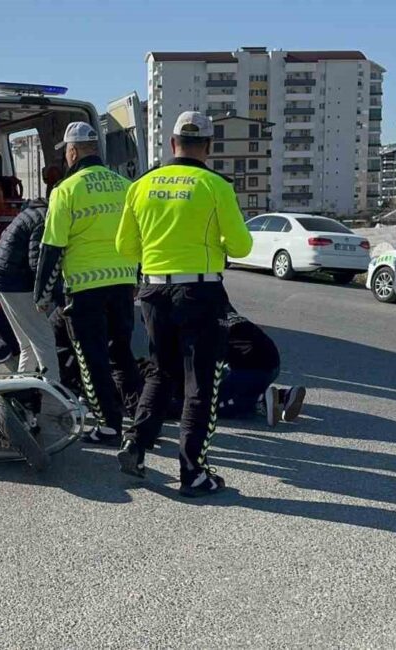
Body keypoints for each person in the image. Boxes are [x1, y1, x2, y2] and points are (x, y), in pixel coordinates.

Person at [114, 111, 253, 498]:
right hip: (199, 293)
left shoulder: (141, 186)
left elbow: (125, 248)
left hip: (153, 291)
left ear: (172, 143)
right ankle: (193, 473)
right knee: (200, 383)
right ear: (208, 147)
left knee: (161, 372)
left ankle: (136, 444)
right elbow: (242, 246)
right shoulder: (214, 185)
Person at [35, 121, 142, 446]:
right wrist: (136, 277)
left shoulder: (65, 190)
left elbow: (52, 247)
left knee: (90, 359)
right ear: (95, 149)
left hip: (85, 288)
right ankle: (141, 419)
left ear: (71, 151)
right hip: (123, 283)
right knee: (121, 353)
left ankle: (109, 427)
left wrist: (42, 295)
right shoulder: (125, 186)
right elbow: (137, 238)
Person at [0, 196, 61, 383]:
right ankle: (54, 398)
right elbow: (38, 263)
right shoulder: (45, 219)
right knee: (44, 339)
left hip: (0, 278)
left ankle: (21, 388)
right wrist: (47, 296)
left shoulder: (30, 213)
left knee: (27, 342)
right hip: (15, 281)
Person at [218, 306, 306, 427]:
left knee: (211, 406)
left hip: (252, 370)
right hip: (272, 363)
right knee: (224, 379)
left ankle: (260, 401)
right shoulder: (220, 305)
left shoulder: (201, 324)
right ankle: (284, 395)